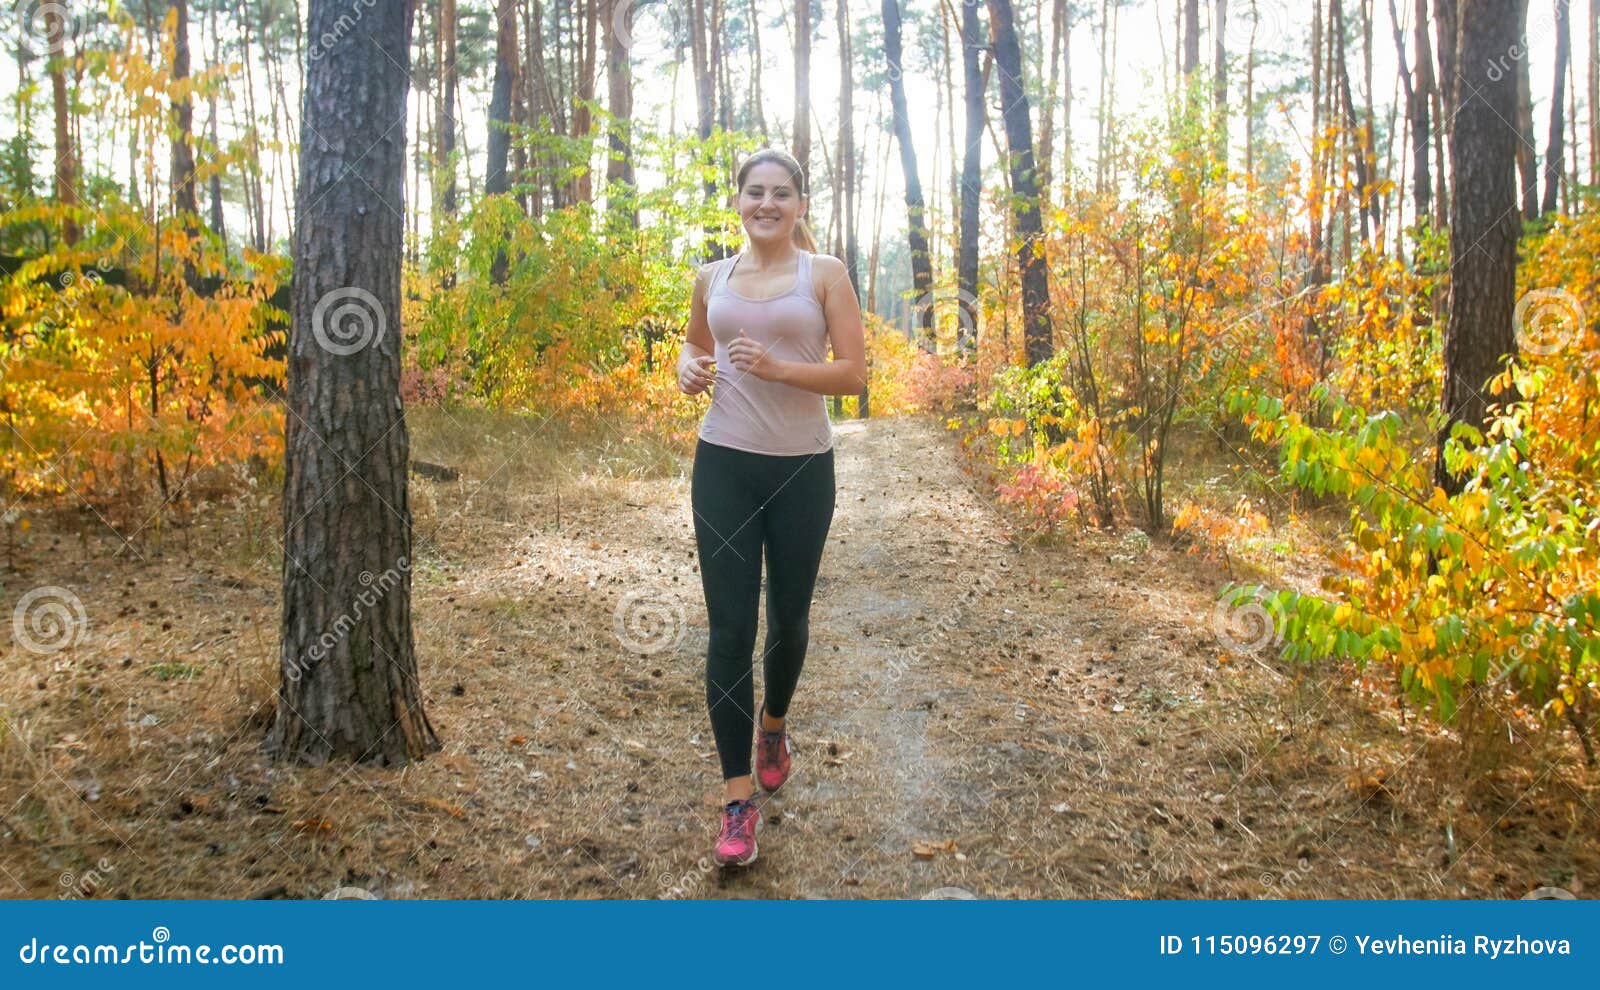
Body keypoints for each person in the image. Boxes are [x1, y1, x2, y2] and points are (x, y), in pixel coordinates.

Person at [676, 148, 868, 867]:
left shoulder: (825, 275)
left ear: (800, 205)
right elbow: (694, 352)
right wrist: (689, 370)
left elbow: (853, 375)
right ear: (738, 201)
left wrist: (780, 367)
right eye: (754, 192)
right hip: (722, 463)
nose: (766, 203)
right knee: (730, 629)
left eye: (780, 193)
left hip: (801, 472)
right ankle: (735, 803)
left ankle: (773, 725)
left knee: (788, 620)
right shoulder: (712, 277)